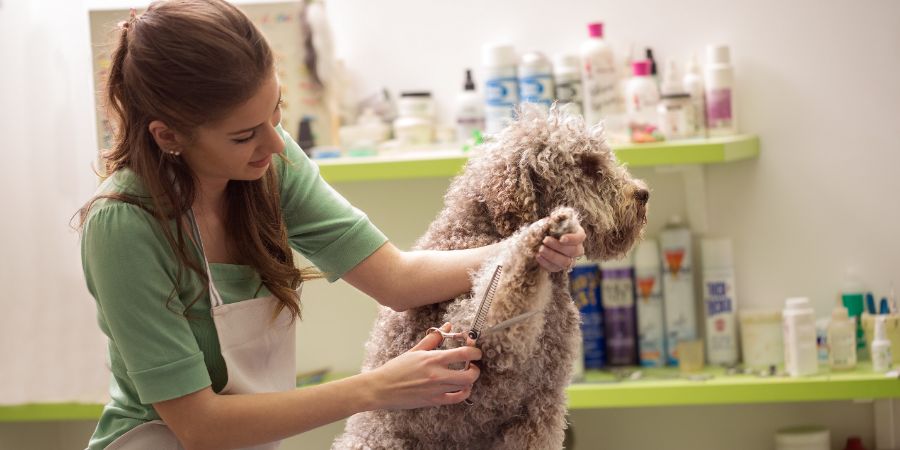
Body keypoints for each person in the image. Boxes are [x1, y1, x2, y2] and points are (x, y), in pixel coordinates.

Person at [77, 1, 585, 449]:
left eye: (276, 111)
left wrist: (527, 246)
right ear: (168, 136)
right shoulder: (124, 227)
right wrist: (379, 388)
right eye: (244, 134)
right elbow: (201, 427)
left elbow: (398, 279)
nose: (275, 145)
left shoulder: (269, 166)